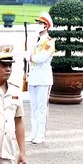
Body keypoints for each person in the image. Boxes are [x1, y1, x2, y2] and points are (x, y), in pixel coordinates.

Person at [27, 12, 55, 145]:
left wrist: (30, 57)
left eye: (39, 23)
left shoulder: (49, 42)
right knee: (33, 107)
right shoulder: (35, 40)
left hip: (43, 79)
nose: (37, 25)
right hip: (32, 78)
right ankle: (33, 132)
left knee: (42, 108)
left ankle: (40, 134)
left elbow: (40, 58)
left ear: (46, 26)